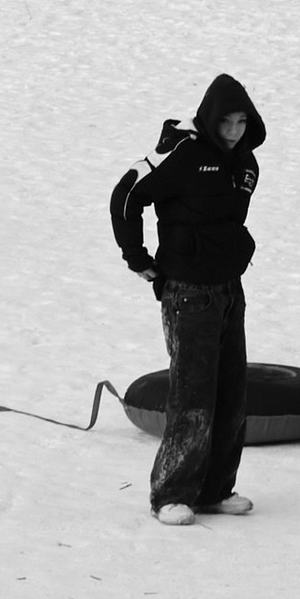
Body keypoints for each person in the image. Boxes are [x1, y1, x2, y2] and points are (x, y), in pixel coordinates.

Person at [111, 72, 266, 525]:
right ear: (210, 120)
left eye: (242, 122)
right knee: (193, 395)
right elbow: (126, 197)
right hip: (188, 294)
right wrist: (137, 258)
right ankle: (171, 494)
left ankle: (216, 489)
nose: (235, 131)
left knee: (231, 395)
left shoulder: (247, 164)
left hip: (229, 292)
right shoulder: (180, 153)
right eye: (227, 122)